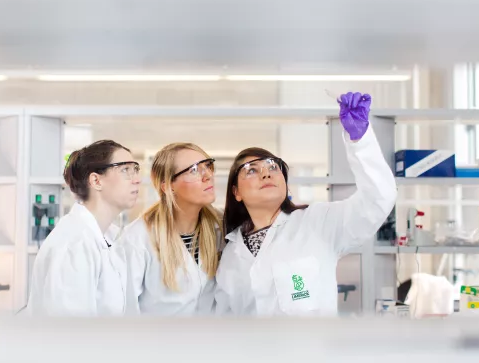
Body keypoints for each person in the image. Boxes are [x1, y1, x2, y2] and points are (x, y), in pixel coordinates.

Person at [215, 92, 397, 316]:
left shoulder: (319, 222)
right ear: (236, 192)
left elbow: (378, 199)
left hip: (312, 350)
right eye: (252, 170)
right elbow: (223, 320)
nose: (266, 174)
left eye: (273, 167)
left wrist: (360, 142)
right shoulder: (231, 254)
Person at [26, 140, 141, 316]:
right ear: (96, 180)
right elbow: (72, 335)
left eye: (136, 170)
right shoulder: (73, 243)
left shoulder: (109, 237)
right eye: (125, 170)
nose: (137, 180)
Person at [123, 143, 223, 315]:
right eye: (194, 170)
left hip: (210, 339)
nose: (208, 175)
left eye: (208, 165)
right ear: (168, 186)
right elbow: (127, 309)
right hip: (158, 340)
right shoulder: (138, 237)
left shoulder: (220, 226)